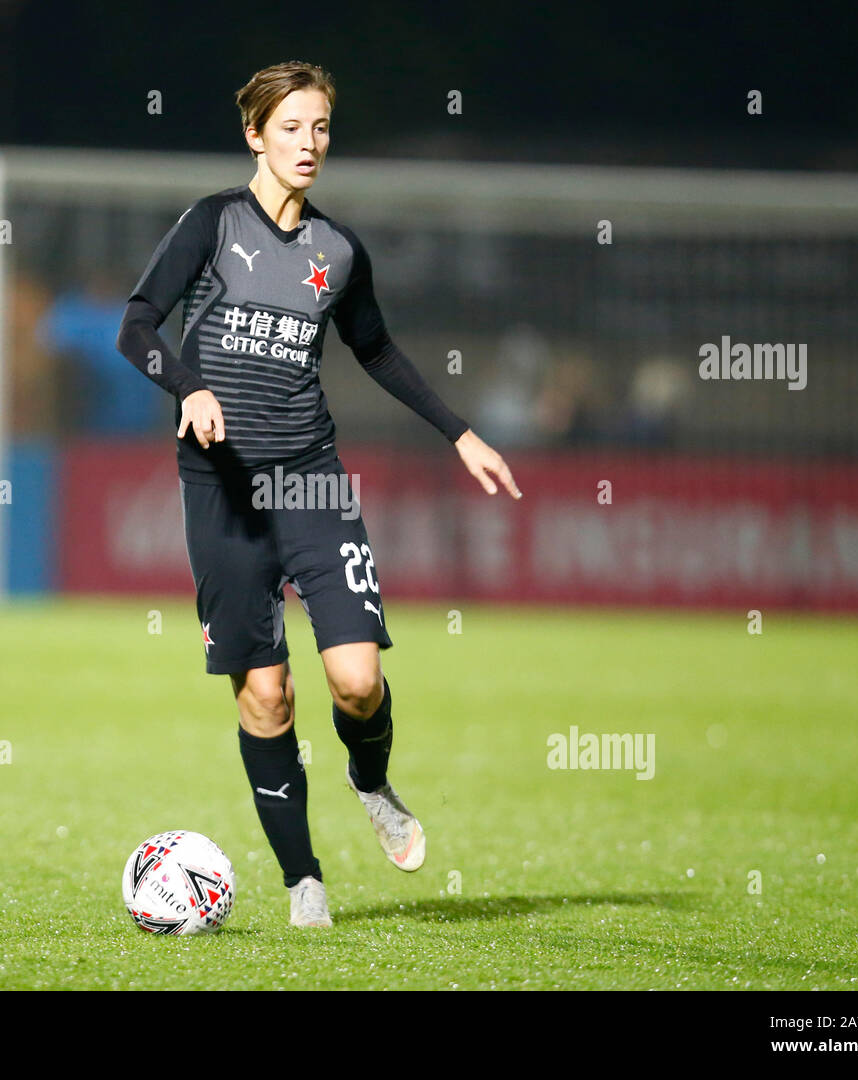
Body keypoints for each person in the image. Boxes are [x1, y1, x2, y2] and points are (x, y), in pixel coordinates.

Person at [116, 61, 520, 928]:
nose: (309, 144)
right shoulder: (213, 223)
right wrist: (187, 387)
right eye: (291, 128)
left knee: (357, 683)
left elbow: (377, 351)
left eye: (321, 128)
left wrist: (462, 432)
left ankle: (370, 781)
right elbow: (136, 325)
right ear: (256, 135)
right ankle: (304, 878)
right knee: (267, 695)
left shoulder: (337, 252)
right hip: (221, 490)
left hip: (310, 478)